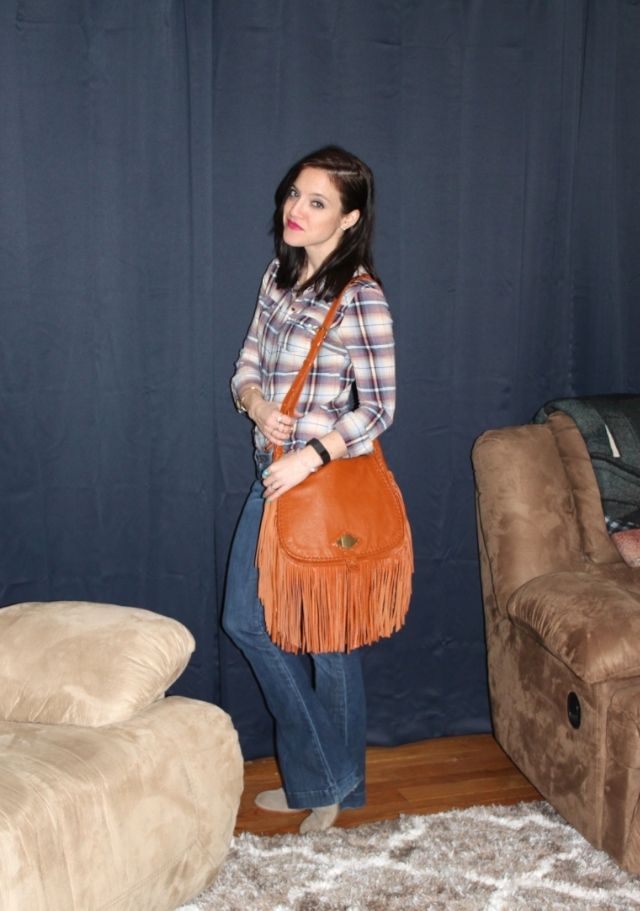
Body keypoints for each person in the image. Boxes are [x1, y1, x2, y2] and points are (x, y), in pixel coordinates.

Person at [223, 145, 396, 833]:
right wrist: (257, 404)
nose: (295, 209)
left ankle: (327, 783)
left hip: (319, 485)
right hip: (272, 474)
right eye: (295, 193)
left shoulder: (361, 297)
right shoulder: (279, 276)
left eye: (317, 201)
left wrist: (310, 455)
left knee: (328, 640)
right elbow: (247, 362)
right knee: (249, 621)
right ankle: (331, 779)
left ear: (349, 219)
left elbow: (378, 408)